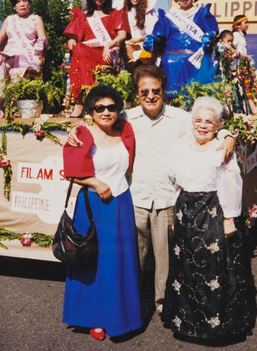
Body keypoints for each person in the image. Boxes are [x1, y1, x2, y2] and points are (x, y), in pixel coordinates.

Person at [66, 64, 235, 316]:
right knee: (134, 258)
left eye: (156, 90)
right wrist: (74, 130)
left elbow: (207, 126)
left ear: (163, 90)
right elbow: (98, 126)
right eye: (144, 91)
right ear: (137, 94)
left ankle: (163, 304)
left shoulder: (181, 118)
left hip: (167, 198)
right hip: (134, 198)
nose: (150, 96)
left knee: (165, 259)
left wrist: (227, 134)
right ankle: (133, 305)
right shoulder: (124, 119)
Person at [162, 96, 256, 343]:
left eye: (208, 122)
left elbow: (232, 183)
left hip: (211, 210)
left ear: (217, 125)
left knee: (213, 267)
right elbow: (178, 185)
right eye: (198, 120)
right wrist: (174, 215)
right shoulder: (182, 145)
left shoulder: (221, 147)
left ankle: (213, 328)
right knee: (186, 268)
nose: (202, 125)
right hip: (185, 212)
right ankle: (187, 323)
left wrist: (230, 219)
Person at [62, 85, 142, 340]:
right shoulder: (82, 134)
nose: (106, 112)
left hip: (120, 203)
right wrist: (95, 182)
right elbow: (71, 172)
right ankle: (95, 318)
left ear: (118, 110)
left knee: (120, 261)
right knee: (94, 262)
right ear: (91, 110)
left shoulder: (125, 131)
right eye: (100, 108)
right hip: (93, 205)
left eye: (111, 107)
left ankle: (121, 317)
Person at [64, 0, 130, 117]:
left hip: (106, 54)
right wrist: (71, 40)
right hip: (84, 54)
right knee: (79, 49)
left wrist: (108, 45)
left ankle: (85, 101)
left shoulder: (115, 14)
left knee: (80, 52)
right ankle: (79, 103)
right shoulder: (84, 16)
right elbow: (74, 37)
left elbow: (122, 35)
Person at [143, 0, 218, 97]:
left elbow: (213, 31)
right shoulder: (168, 17)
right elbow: (159, 35)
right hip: (170, 61)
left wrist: (209, 36)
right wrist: (151, 38)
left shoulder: (201, 13)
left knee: (195, 96)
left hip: (194, 60)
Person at [0, 0, 47, 119]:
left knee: (13, 65)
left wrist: (40, 44)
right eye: (18, 1)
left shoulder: (36, 19)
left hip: (27, 55)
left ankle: (5, 106)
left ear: (29, 3)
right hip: (10, 53)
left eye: (24, 0)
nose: (22, 4)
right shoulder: (9, 20)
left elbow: (43, 38)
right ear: (14, 6)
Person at [113, 0, 157, 68]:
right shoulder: (123, 12)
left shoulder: (148, 11)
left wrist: (139, 40)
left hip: (144, 45)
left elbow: (151, 33)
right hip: (126, 45)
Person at [231, 15, 257, 115]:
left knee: (246, 93)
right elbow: (231, 50)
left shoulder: (241, 35)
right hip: (236, 70)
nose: (248, 24)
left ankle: (247, 114)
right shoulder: (235, 35)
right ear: (238, 25)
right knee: (238, 94)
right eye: (245, 22)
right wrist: (244, 57)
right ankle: (240, 115)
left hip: (243, 69)